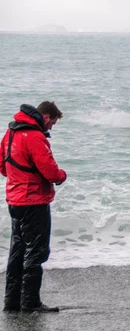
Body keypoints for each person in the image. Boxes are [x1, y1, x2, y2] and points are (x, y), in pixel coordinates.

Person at [0, 102, 67, 313]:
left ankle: (11, 301)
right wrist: (61, 175)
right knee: (36, 251)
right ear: (46, 117)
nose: (51, 128)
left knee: (17, 250)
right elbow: (50, 172)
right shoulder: (35, 136)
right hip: (34, 201)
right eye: (53, 123)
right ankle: (30, 302)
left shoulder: (10, 133)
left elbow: (2, 167)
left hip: (15, 200)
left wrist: (19, 178)